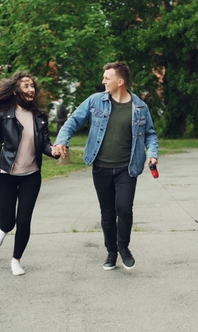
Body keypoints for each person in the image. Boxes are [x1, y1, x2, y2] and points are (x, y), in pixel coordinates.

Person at [53, 62, 159, 270]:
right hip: (101, 167)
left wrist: (152, 154)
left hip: (127, 168)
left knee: (124, 209)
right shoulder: (95, 101)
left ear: (120, 82)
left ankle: (124, 247)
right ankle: (111, 252)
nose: (103, 81)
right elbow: (73, 121)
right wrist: (61, 140)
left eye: (106, 78)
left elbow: (150, 134)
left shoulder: (139, 107)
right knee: (108, 212)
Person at [0, 71, 58, 276]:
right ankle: (3, 228)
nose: (31, 89)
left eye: (32, 86)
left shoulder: (40, 117)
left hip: (31, 176)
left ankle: (16, 260)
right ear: (16, 90)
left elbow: (45, 146)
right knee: (9, 221)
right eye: (26, 86)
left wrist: (55, 151)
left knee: (24, 220)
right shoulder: (4, 116)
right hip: (6, 175)